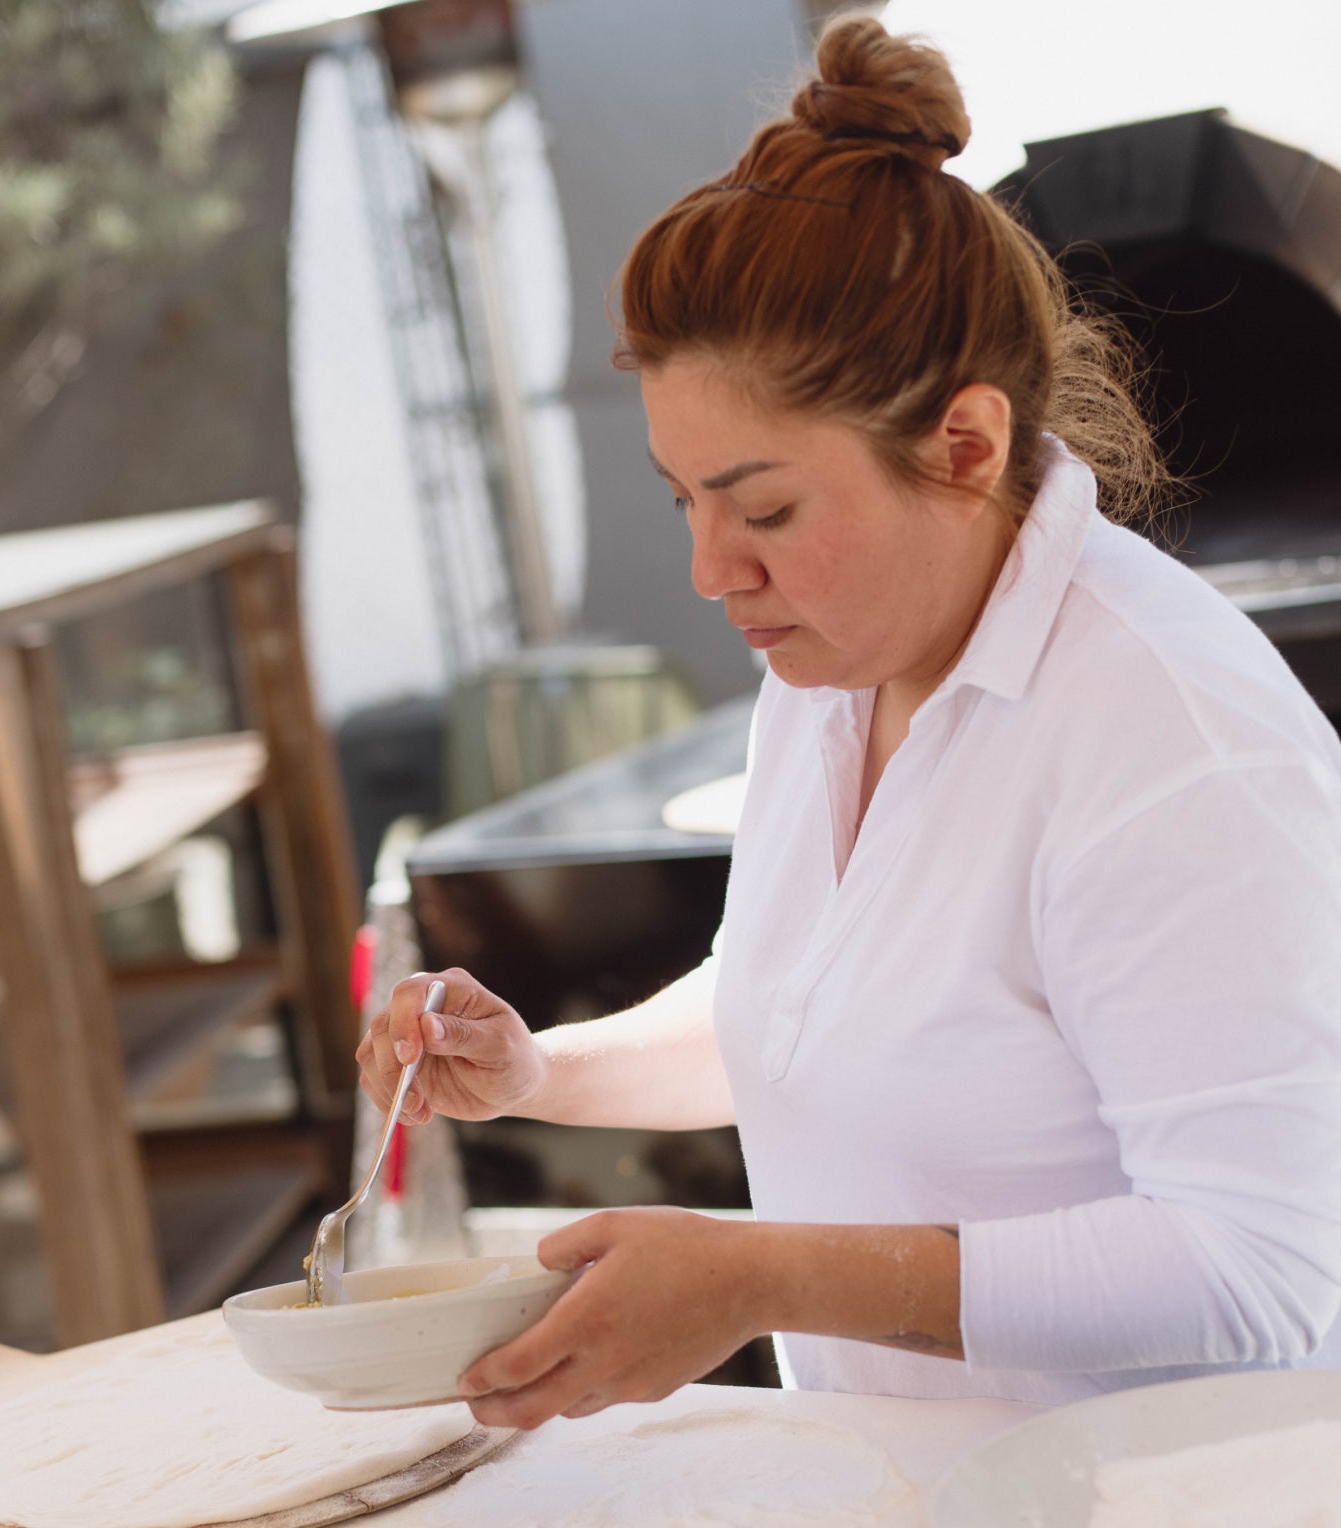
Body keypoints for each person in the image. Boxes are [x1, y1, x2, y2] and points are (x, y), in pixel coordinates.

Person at [357, 16, 1341, 1429]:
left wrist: (764, 1278)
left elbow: (1259, 1267)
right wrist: (540, 1072)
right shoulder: (834, 672)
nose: (712, 572)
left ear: (965, 447)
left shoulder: (1173, 741)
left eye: (764, 509)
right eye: (684, 501)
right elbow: (809, 1016)